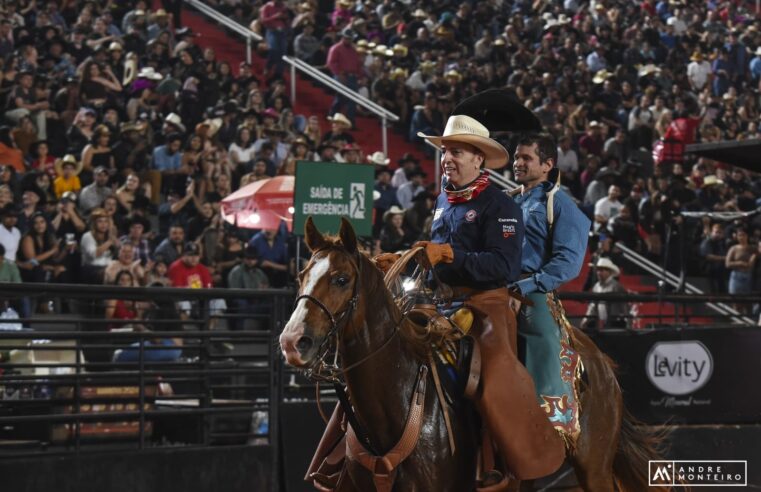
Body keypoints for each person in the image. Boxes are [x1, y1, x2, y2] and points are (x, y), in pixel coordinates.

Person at [412, 115, 564, 479]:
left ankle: (504, 465)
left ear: (478, 159)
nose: (447, 158)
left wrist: (451, 256)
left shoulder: (500, 206)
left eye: (457, 152)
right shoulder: (442, 201)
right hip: (442, 303)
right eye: (446, 151)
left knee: (493, 380)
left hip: (487, 305)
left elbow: (504, 267)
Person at [510, 132, 591, 449]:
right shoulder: (508, 200)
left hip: (532, 291)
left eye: (526, 158)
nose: (517, 163)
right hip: (496, 284)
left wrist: (527, 284)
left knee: (540, 333)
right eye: (516, 157)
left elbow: (568, 263)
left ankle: (553, 418)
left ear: (547, 164)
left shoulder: (560, 203)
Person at [582, 257, 627, 330]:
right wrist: (585, 320)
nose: (599, 273)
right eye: (598, 270)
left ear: (609, 272)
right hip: (601, 323)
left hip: (616, 323)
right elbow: (593, 306)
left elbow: (624, 307)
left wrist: (628, 325)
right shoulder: (596, 286)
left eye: (602, 270)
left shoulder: (616, 286)